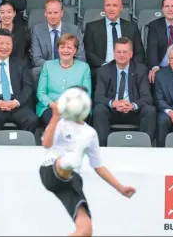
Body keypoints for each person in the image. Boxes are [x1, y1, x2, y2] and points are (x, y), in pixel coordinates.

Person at [39, 85, 136, 236]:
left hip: (71, 180)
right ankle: (69, 161)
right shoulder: (60, 122)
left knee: (85, 229)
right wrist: (55, 116)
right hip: (51, 169)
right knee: (68, 162)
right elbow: (46, 144)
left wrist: (121, 188)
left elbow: (98, 166)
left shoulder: (89, 133)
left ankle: (71, 162)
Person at [36, 33, 91, 126]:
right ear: (58, 49)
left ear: (75, 50)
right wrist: (52, 105)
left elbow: (86, 94)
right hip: (51, 107)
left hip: (77, 108)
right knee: (55, 123)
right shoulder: (48, 65)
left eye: (69, 48)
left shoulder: (84, 67)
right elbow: (41, 93)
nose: (65, 50)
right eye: (62, 47)